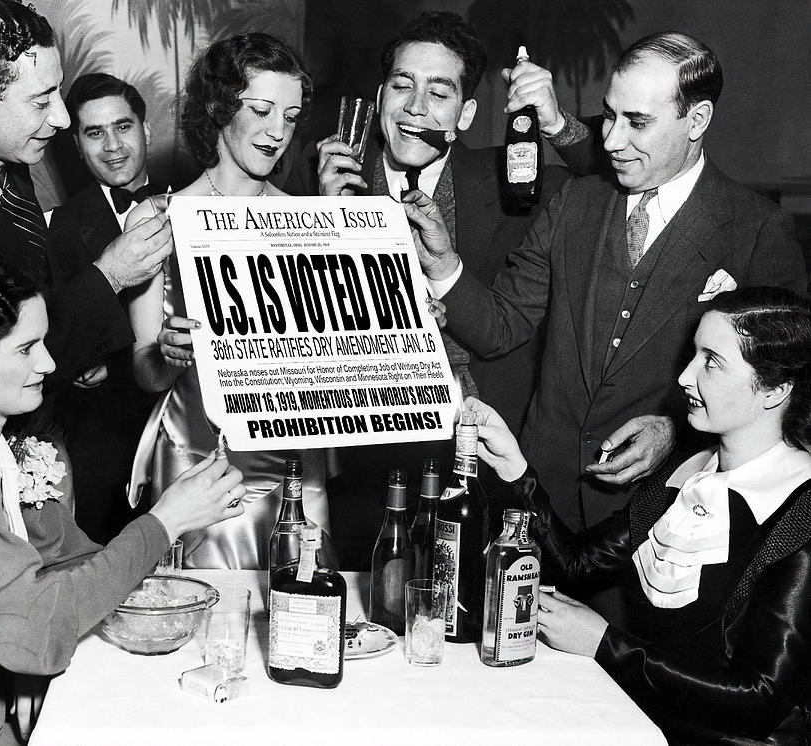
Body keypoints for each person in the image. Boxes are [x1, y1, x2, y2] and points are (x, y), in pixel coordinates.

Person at [412, 32, 807, 530]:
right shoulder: (574, 201)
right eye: (610, 115)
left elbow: (782, 389)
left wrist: (675, 429)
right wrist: (444, 263)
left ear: (697, 119)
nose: (612, 140)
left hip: (662, 515)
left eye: (637, 123)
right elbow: (501, 326)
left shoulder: (756, 229)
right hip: (536, 502)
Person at [0, 250, 245, 745]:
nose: (48, 363)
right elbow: (33, 635)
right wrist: (164, 522)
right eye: (26, 349)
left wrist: (166, 532)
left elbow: (63, 567)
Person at [469, 286, 811, 744]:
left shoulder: (800, 515)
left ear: (775, 391)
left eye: (711, 362)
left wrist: (603, 644)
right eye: (694, 355)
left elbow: (760, 701)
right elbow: (577, 566)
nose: (685, 377)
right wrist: (515, 467)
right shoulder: (686, 473)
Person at [285, 10, 573, 434]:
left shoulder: (515, 183)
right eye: (402, 87)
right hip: (352, 426)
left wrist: (558, 124)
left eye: (438, 94)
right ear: (382, 96)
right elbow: (284, 323)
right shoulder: (317, 172)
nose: (415, 107)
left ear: (467, 114)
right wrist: (327, 226)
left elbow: (612, 179)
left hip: (477, 431)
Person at [126, 32, 332, 569]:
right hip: (197, 462)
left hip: (292, 468)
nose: (277, 132)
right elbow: (145, 374)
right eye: (262, 110)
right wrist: (166, 356)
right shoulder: (156, 219)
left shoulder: (308, 221)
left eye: (290, 116)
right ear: (220, 107)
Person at [0, 0, 173, 385]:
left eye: (58, 91)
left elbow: (33, 293)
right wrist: (111, 275)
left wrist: (78, 350)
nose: (62, 118)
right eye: (39, 101)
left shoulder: (3, 147)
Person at [47, 73, 160, 544]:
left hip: (192, 421)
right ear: (76, 144)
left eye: (123, 126)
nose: (112, 145)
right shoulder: (53, 228)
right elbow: (48, 334)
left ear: (146, 130)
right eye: (95, 133)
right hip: (102, 440)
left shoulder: (198, 202)